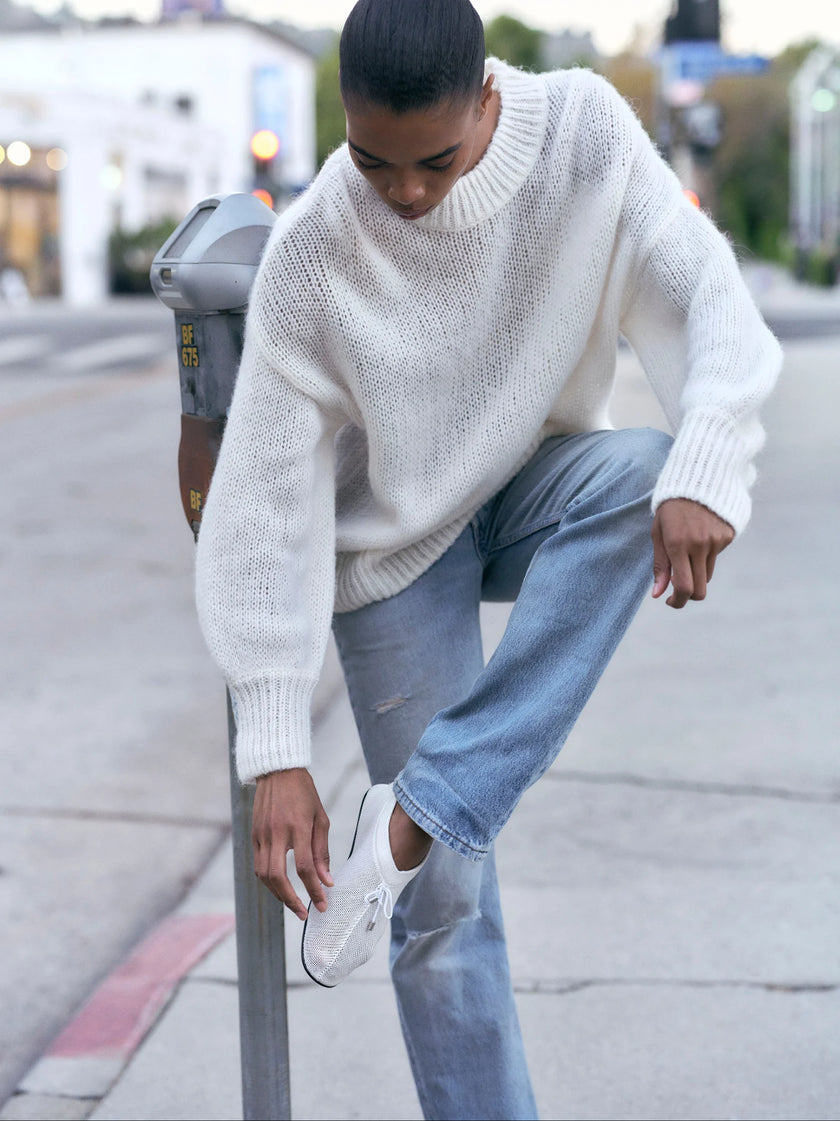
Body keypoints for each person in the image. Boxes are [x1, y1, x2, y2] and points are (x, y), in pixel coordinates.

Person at [195, 1, 782, 1116]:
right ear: (343, 122)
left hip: (527, 485)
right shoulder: (316, 248)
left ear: (486, 100)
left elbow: (709, 292)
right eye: (373, 160)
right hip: (394, 548)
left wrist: (710, 460)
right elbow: (263, 506)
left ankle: (419, 808)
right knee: (449, 905)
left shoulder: (583, 136)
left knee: (651, 469)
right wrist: (274, 743)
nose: (406, 191)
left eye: (435, 160)